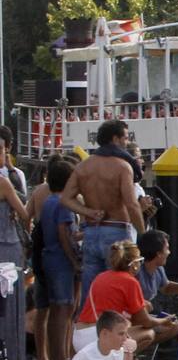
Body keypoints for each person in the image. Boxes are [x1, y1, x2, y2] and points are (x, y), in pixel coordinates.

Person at [61, 120, 144, 305]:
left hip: (91, 232)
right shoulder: (123, 167)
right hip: (117, 232)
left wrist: (88, 211)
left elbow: (66, 198)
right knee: (118, 287)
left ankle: (86, 330)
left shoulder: (83, 166)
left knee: (89, 292)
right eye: (124, 138)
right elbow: (131, 204)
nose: (126, 142)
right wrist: (143, 232)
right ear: (115, 139)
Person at [72, 241, 178, 355]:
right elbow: (145, 321)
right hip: (98, 337)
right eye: (140, 261)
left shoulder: (101, 276)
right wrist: (164, 321)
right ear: (134, 264)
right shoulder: (130, 281)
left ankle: (121, 358)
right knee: (149, 334)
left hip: (80, 337)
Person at [37, 158, 79, 360]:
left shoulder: (48, 202)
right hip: (61, 261)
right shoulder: (63, 203)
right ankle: (60, 357)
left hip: (49, 257)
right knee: (63, 309)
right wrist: (74, 259)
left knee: (56, 309)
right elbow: (63, 233)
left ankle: (56, 356)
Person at [0, 126, 28, 360]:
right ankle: (13, 358)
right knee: (10, 305)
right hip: (7, 245)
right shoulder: (5, 182)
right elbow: (25, 213)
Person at [137, 229, 178, 312]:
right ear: (158, 253)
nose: (169, 252)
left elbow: (167, 288)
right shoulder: (136, 272)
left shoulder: (158, 269)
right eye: (167, 248)